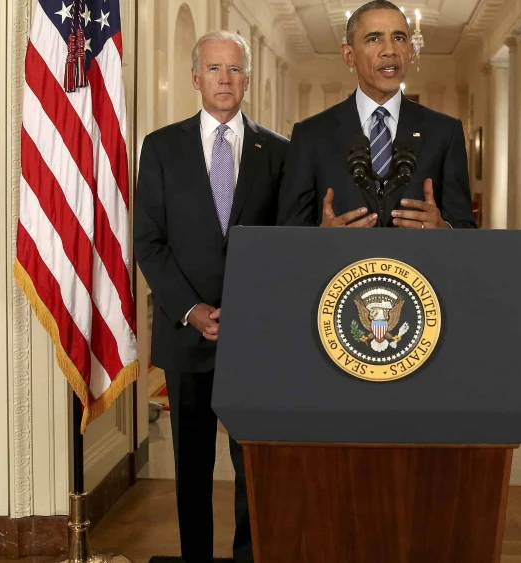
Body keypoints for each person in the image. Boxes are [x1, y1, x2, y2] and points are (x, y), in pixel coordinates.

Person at [133, 30, 288, 563]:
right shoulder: (161, 147)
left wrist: (253, 310)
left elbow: (286, 245)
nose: (226, 79)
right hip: (187, 331)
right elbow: (148, 243)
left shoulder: (279, 153)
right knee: (191, 463)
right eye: (215, 69)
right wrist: (192, 311)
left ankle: (250, 555)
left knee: (254, 465)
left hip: (256, 337)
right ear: (196, 78)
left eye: (236, 69)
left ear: (247, 79)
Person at [276, 0, 476, 229]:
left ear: (411, 52)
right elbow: (288, 233)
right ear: (349, 55)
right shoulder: (309, 135)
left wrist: (444, 230)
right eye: (374, 38)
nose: (390, 50)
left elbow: (465, 228)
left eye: (399, 38)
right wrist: (321, 240)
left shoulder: (445, 132)